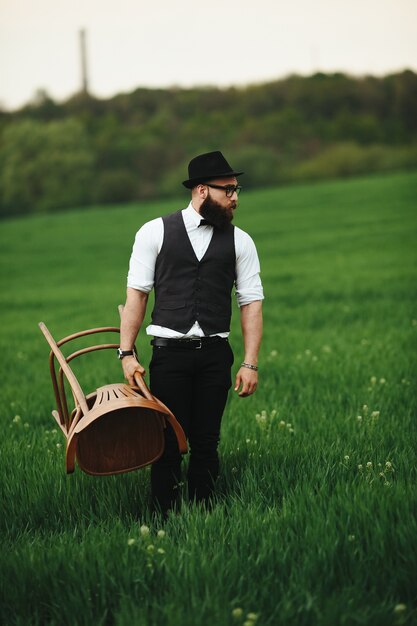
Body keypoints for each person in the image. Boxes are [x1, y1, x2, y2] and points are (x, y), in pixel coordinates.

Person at [119, 150, 263, 516]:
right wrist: (127, 353)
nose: (235, 197)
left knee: (206, 442)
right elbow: (136, 296)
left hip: (216, 355)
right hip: (170, 354)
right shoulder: (154, 231)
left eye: (236, 189)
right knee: (167, 442)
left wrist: (250, 363)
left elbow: (251, 303)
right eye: (227, 190)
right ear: (202, 190)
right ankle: (164, 517)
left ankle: (205, 516)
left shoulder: (241, 241)